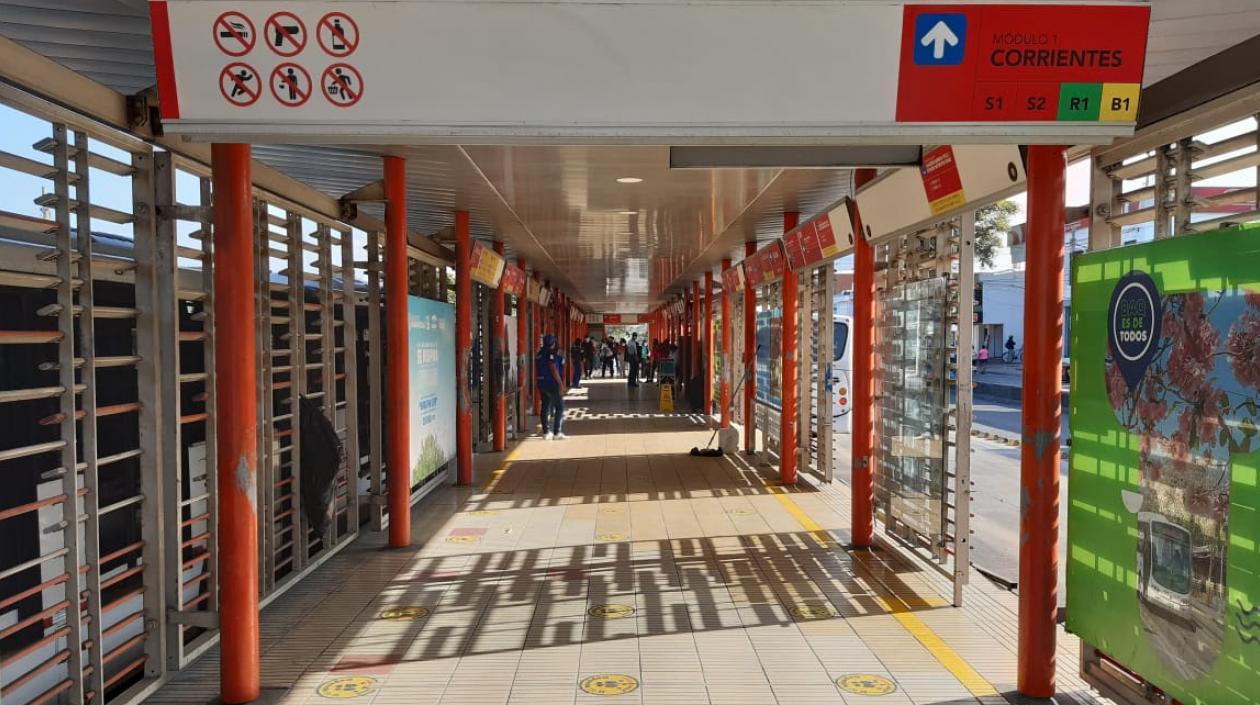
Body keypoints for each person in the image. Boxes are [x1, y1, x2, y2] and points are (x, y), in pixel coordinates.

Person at [535, 335, 567, 440]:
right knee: (559, 407)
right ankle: (557, 432)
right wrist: (561, 384)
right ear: (553, 343)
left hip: (541, 383)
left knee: (545, 406)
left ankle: (546, 432)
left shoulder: (539, 354)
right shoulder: (551, 354)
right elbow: (553, 370)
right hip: (551, 383)